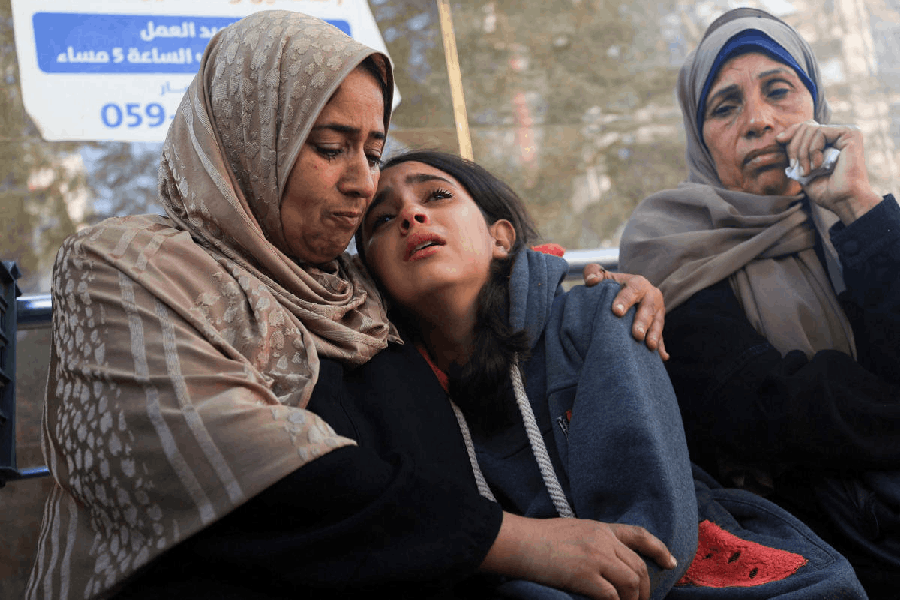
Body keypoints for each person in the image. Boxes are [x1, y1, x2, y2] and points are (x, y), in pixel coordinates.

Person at [26, 11, 677, 600]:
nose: (364, 184)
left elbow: (476, 317)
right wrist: (515, 543)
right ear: (252, 137)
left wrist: (594, 297)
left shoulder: (357, 292)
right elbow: (234, 463)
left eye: (372, 151)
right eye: (331, 147)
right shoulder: (127, 264)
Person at [356, 149, 868, 599]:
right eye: (380, 220)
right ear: (370, 273)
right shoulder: (394, 394)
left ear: (500, 238)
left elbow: (650, 538)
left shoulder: (603, 314)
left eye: (437, 194)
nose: (410, 214)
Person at [619, 7, 900, 597]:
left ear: (815, 108)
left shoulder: (853, 224)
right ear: (701, 139)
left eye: (780, 91)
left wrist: (856, 204)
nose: (759, 121)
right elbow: (769, 414)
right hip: (802, 549)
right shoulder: (669, 244)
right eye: (725, 107)